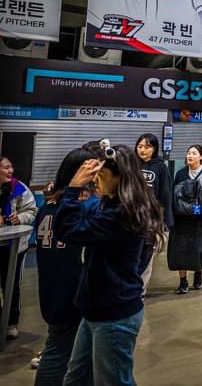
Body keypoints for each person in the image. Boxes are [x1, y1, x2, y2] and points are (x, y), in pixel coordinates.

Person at [54, 144, 166, 385]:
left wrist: (74, 188)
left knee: (113, 381)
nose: (94, 180)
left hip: (114, 316)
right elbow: (84, 211)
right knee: (75, 379)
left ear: (120, 176)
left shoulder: (121, 215)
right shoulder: (109, 204)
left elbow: (66, 229)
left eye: (100, 174)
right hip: (97, 310)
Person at [32, 148, 97, 385]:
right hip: (73, 295)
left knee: (61, 351)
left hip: (51, 291)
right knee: (61, 355)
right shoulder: (76, 210)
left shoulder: (48, 208)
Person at [169, 144, 202, 294]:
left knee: (197, 248)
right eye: (188, 153)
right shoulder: (181, 173)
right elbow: (174, 195)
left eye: (194, 153)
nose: (190, 155)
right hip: (181, 217)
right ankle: (183, 281)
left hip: (199, 216)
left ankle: (198, 273)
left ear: (201, 157)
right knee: (180, 249)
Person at [0, 155, 37, 340]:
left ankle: (11, 322)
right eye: (5, 167)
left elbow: (31, 210)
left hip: (14, 246)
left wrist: (19, 218)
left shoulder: (19, 188)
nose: (10, 171)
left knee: (11, 284)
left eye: (11, 167)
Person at [136, 133, 172, 296]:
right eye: (140, 146)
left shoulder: (160, 167)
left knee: (146, 259)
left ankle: (140, 294)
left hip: (151, 222)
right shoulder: (131, 165)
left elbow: (165, 195)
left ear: (155, 149)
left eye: (147, 146)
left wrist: (164, 223)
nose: (143, 150)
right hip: (131, 220)